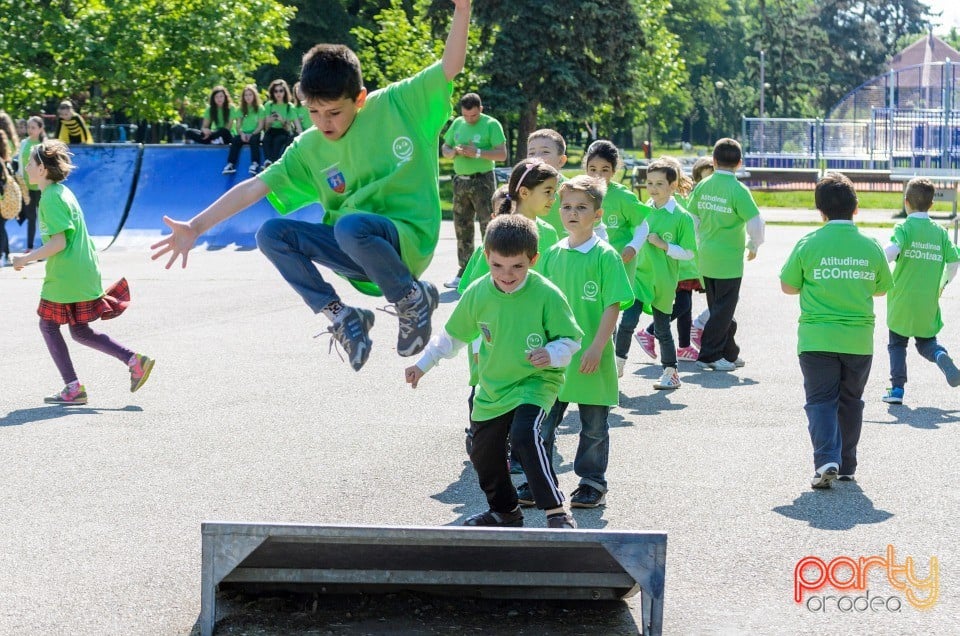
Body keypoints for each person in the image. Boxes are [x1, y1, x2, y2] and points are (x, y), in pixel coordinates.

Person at [151, 0, 472, 373]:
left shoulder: (399, 104)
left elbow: (450, 67)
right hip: (355, 254)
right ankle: (343, 317)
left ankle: (413, 298)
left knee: (350, 224)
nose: (324, 123)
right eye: (314, 112)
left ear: (360, 99)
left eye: (334, 112)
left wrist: (462, 9)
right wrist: (195, 226)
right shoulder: (308, 147)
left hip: (407, 242)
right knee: (271, 234)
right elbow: (256, 187)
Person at [406, 214, 582, 529]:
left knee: (524, 436)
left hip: (536, 381)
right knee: (482, 450)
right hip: (493, 386)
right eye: (498, 265)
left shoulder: (547, 294)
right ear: (487, 256)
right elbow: (453, 337)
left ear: (533, 260)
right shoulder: (478, 292)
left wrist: (552, 353)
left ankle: (556, 510)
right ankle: (505, 511)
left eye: (517, 266)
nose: (507, 275)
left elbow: (571, 340)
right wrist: (422, 365)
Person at [11, 140, 155, 404]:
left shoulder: (51, 199)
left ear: (42, 169)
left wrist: (25, 258)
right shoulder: (61, 191)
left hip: (67, 275)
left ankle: (73, 387)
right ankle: (134, 361)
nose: (27, 166)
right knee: (80, 331)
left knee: (48, 325)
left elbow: (58, 243)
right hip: (83, 269)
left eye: (31, 162)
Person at [779, 172, 892, 489]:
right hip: (858, 340)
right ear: (856, 209)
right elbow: (883, 289)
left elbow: (788, 286)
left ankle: (826, 458)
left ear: (821, 211)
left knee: (820, 401)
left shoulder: (809, 243)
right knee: (851, 401)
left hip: (817, 338)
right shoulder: (871, 246)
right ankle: (846, 465)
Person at [529, 175, 633, 509]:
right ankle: (540, 481)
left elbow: (612, 305)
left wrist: (597, 347)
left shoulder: (605, 256)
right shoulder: (552, 254)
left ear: (598, 214)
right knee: (542, 423)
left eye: (581, 207)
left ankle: (592, 484)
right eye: (567, 206)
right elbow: (539, 302)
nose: (572, 213)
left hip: (591, 356)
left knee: (593, 428)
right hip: (556, 358)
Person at [686, 138, 765, 371]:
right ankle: (709, 354)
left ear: (713, 160)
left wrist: (696, 244)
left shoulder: (703, 185)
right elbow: (756, 222)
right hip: (729, 261)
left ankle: (729, 353)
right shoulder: (738, 190)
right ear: (739, 163)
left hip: (705, 257)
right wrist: (754, 244)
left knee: (719, 308)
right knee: (723, 310)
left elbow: (692, 220)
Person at [881, 177, 960, 404]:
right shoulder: (940, 232)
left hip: (902, 300)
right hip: (927, 301)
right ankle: (939, 355)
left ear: (906, 202)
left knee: (897, 344)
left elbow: (891, 251)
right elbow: (954, 262)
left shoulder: (904, 228)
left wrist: (878, 266)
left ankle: (897, 390)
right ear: (932, 205)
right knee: (926, 343)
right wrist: (944, 283)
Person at [580, 140, 651, 378]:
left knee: (606, 320)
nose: (598, 175)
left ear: (614, 170)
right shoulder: (578, 192)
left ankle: (606, 375)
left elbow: (643, 225)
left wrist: (633, 247)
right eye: (593, 169)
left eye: (605, 170)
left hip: (616, 267)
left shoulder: (623, 197)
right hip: (585, 266)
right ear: (585, 167)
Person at [636, 157, 700, 363]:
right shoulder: (655, 204)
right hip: (674, 268)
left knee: (685, 305)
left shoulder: (682, 200)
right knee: (681, 304)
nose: (654, 188)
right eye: (651, 183)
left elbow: (691, 233)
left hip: (685, 265)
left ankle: (682, 346)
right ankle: (650, 331)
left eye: (659, 183)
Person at [441, 92, 508, 289]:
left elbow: (502, 154)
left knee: (488, 225)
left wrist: (477, 152)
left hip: (483, 180)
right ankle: (464, 270)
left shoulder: (491, 124)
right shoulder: (458, 123)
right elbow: (445, 146)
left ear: (481, 109)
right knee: (462, 226)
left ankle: (490, 269)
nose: (469, 119)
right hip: (460, 182)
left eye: (474, 116)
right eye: (466, 115)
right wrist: (451, 152)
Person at [686, 157, 714, 349]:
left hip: (713, 255)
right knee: (724, 300)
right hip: (700, 257)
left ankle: (725, 349)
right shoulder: (695, 201)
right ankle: (698, 325)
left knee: (724, 301)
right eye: (705, 180)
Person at [526, 128, 569, 237]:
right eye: (531, 153)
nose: (536, 158)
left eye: (545, 152)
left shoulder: (574, 191)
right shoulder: (520, 191)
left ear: (561, 161)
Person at [16, 117, 45, 252]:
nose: (30, 130)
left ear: (40, 129)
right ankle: (29, 247)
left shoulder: (44, 145)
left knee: (45, 217)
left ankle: (47, 246)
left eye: (33, 127)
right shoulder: (23, 143)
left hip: (41, 187)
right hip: (27, 187)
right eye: (28, 127)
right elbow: (20, 165)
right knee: (31, 218)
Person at [222, 85, 264, 175]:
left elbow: (261, 125)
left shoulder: (260, 108)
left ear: (254, 96)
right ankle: (230, 164)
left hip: (255, 133)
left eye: (250, 95)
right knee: (235, 140)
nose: (248, 97)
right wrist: (241, 133)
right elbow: (238, 125)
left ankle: (255, 163)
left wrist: (252, 134)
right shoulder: (240, 109)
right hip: (244, 134)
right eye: (246, 95)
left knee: (254, 140)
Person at [260, 79, 300, 167]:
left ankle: (272, 163)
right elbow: (266, 128)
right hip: (271, 130)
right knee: (266, 139)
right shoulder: (268, 105)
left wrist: (282, 120)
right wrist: (269, 121)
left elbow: (289, 129)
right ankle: (268, 160)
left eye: (281, 91)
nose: (278, 93)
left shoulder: (290, 107)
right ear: (272, 92)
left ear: (285, 92)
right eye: (276, 91)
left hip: (283, 131)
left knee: (278, 140)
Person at [0, 131, 15, 267]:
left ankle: (3, 255)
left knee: (0, 226)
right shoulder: (7, 161)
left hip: (2, 201)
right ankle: (6, 254)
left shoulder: (2, 162)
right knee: (1, 227)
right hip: (7, 201)